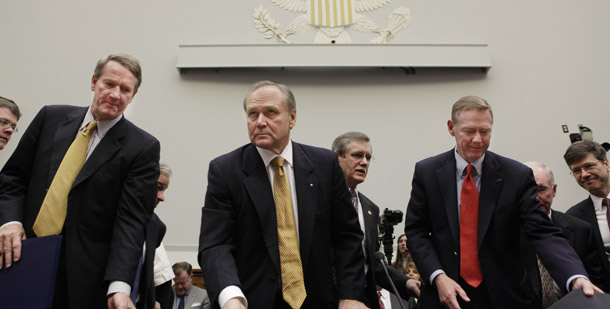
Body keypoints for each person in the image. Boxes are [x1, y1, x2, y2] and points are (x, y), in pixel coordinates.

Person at [404, 95, 601, 309]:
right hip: (444, 296)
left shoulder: (515, 175)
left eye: (485, 131)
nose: (478, 139)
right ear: (452, 128)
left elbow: (542, 231)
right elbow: (417, 232)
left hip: (504, 297)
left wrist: (575, 276)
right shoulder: (428, 173)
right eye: (469, 131)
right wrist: (438, 276)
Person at [0, 53, 160, 309]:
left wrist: (120, 285)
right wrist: (9, 221)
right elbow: (13, 178)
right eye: (109, 84)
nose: (116, 95)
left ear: (133, 96)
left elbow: (131, 222)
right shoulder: (50, 119)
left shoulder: (142, 148)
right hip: (21, 258)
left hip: (83, 282)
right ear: (94, 81)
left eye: (125, 89)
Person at [198, 81, 367, 308]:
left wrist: (350, 295)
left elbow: (347, 236)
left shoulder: (324, 164)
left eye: (270, 113)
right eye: (252, 114)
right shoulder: (225, 170)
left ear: (292, 118)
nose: (260, 122)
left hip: (318, 300)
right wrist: (231, 296)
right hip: (252, 301)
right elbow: (216, 244)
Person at [332, 131, 420, 308]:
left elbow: (371, 263)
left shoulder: (370, 208)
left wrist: (406, 283)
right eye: (357, 155)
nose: (364, 162)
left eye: (368, 157)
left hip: (364, 301)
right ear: (336, 158)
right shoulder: (319, 201)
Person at [521, 161, 598, 308]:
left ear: (553, 190)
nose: (536, 198)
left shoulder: (580, 229)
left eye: (541, 189)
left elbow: (596, 281)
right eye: (528, 191)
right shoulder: (504, 233)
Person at [564, 140, 610, 292]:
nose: (584, 174)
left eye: (589, 166)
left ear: (606, 164)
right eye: (577, 171)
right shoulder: (573, 218)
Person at [137, 162, 175, 309]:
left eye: (164, 190)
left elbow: (162, 281)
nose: (162, 197)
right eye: (158, 188)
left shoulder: (156, 227)